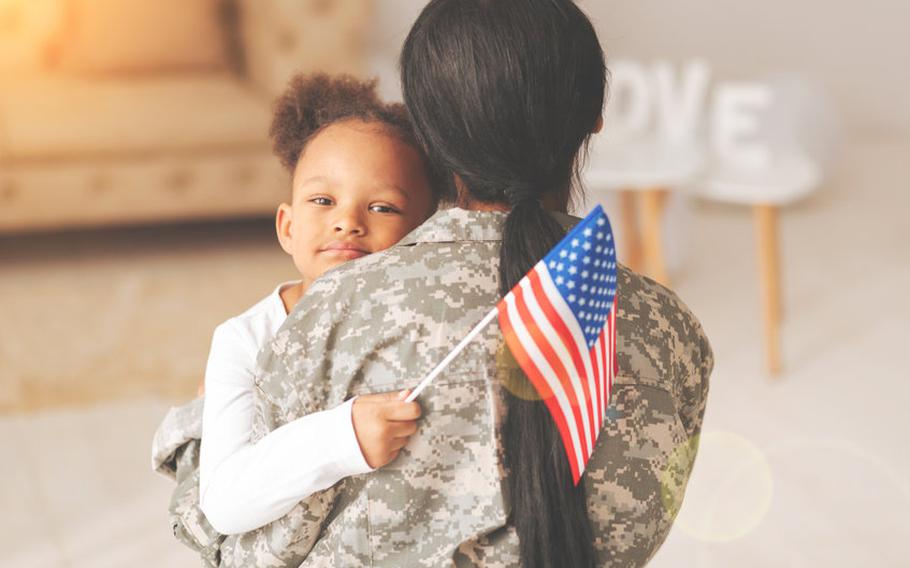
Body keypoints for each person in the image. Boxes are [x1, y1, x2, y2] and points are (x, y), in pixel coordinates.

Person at [152, 1, 713, 566]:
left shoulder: (325, 317)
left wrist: (197, 439)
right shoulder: (674, 332)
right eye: (323, 200)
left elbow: (254, 551)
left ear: (429, 133)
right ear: (595, 114)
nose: (346, 222)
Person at [186, 73, 436, 536]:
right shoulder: (244, 340)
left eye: (382, 208)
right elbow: (222, 504)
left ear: (425, 234)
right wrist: (344, 437)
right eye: (323, 200)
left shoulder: (424, 325)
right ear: (288, 227)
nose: (346, 221)